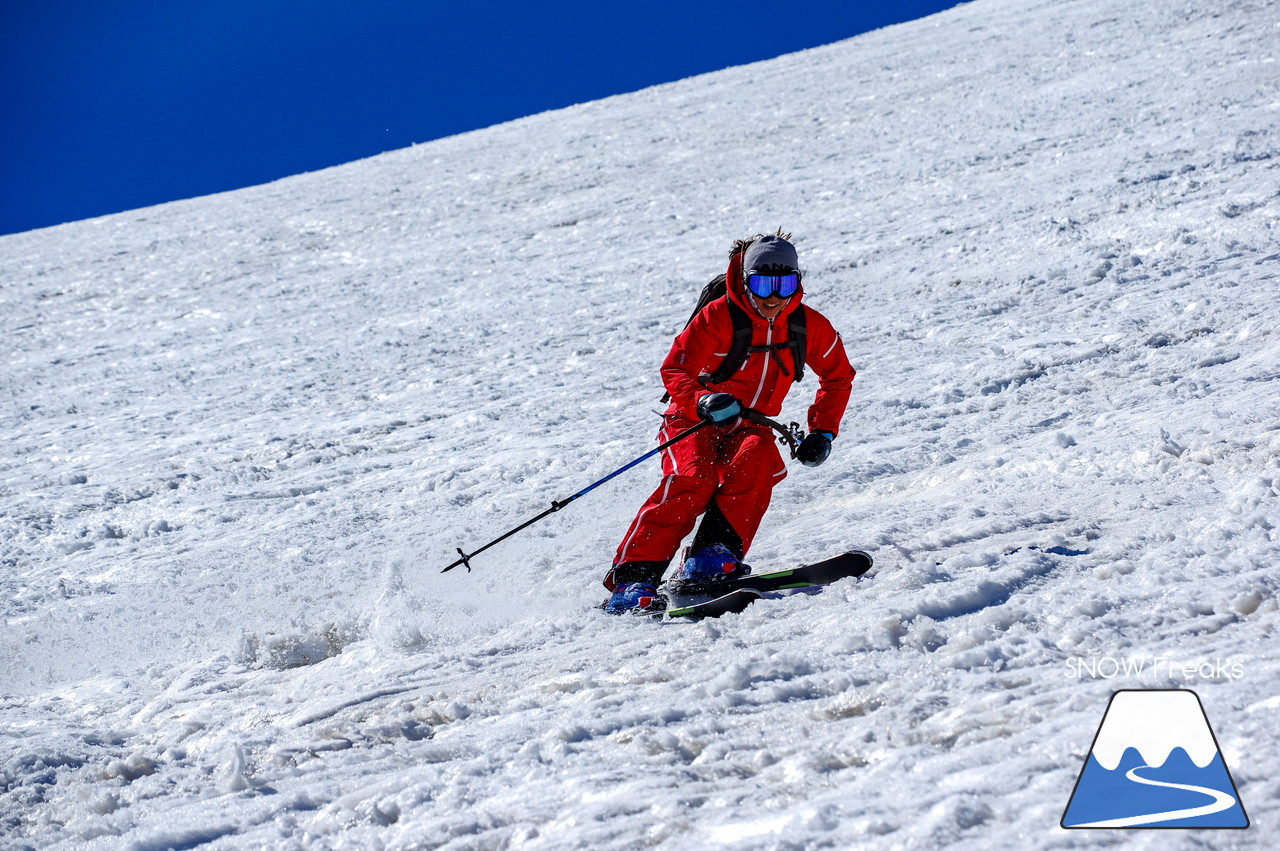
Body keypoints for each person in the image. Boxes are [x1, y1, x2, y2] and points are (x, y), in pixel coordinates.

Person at [604, 231, 856, 613]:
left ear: (797, 283)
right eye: (762, 284)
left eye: (784, 284)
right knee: (694, 479)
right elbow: (675, 368)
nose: (773, 297)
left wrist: (823, 430)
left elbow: (837, 376)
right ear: (746, 281)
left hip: (749, 425)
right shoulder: (718, 317)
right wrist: (702, 399)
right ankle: (633, 578)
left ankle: (709, 558)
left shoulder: (808, 326)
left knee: (757, 460)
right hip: (692, 420)